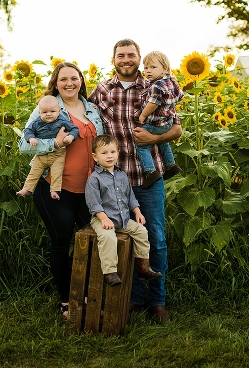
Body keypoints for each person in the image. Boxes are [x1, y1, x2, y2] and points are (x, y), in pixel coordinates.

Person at [89, 39, 182, 324]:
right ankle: (132, 298)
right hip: (115, 182)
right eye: (121, 55)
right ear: (113, 59)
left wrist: (154, 138)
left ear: (139, 58)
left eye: (131, 55)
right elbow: (83, 119)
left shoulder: (155, 84)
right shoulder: (103, 90)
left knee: (155, 237)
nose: (126, 59)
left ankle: (157, 300)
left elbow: (176, 128)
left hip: (148, 176)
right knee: (122, 238)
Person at [18, 62, 104, 319]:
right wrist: (52, 143)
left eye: (74, 78)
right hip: (55, 188)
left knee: (93, 241)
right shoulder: (47, 107)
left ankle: (88, 292)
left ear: (81, 81)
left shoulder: (92, 108)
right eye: (63, 79)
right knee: (62, 242)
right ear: (56, 82)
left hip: (89, 189)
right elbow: (24, 145)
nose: (69, 83)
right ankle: (67, 300)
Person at [85, 134, 162, 286]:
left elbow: (130, 197)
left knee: (141, 231)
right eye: (104, 153)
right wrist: (104, 218)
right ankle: (110, 272)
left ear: (118, 153)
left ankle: (143, 268)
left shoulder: (122, 175)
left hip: (123, 219)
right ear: (95, 157)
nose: (109, 156)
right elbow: (94, 203)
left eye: (112, 152)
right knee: (108, 237)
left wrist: (138, 212)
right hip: (102, 220)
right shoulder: (94, 179)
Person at [16, 94, 79, 199]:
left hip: (58, 154)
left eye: (52, 111)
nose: (49, 114)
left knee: (57, 172)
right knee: (34, 172)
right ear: (39, 112)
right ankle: (27, 189)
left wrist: (71, 137)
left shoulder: (62, 121)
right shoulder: (36, 123)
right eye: (44, 112)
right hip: (41, 155)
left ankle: (54, 191)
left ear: (58, 111)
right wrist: (31, 138)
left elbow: (74, 129)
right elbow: (28, 131)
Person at [137, 51, 184, 188]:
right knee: (164, 142)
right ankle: (171, 165)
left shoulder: (157, 86)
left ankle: (150, 172)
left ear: (164, 68)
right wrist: (170, 105)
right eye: (146, 68)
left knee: (141, 145)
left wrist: (143, 115)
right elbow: (180, 96)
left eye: (153, 67)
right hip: (168, 122)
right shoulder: (173, 83)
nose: (148, 71)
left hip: (155, 122)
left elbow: (153, 103)